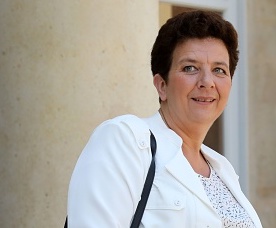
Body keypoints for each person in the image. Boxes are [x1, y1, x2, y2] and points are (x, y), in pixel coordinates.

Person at [67, 10, 262, 227]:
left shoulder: (222, 169)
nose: (207, 82)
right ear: (162, 86)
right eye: (190, 68)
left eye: (219, 70)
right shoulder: (125, 140)